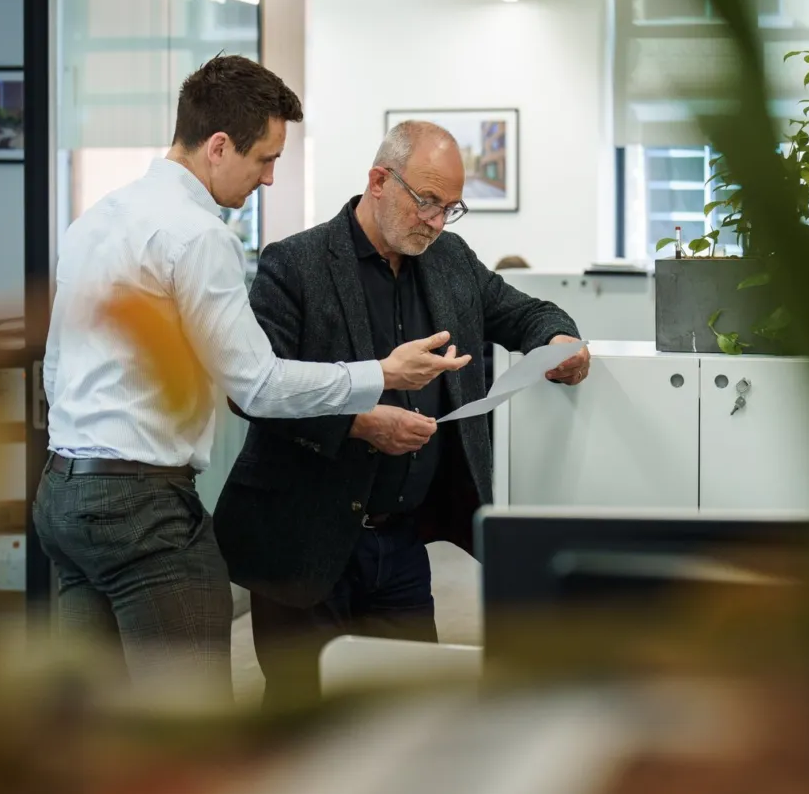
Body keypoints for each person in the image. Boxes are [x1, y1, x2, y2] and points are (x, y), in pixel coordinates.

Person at [32, 57, 469, 699]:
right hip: (143, 510)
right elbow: (256, 386)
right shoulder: (197, 235)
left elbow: (56, 365)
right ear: (217, 147)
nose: (269, 179)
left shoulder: (97, 218)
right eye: (265, 159)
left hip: (63, 493)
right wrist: (380, 373)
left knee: (97, 718)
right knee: (194, 721)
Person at [213, 120, 592, 707]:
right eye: (427, 202)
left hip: (402, 543)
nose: (437, 222)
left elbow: (523, 312)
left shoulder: (450, 260)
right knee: (303, 723)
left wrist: (562, 340)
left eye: (451, 208)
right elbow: (254, 395)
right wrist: (359, 424)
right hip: (306, 542)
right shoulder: (296, 264)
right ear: (378, 181)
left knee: (414, 712)